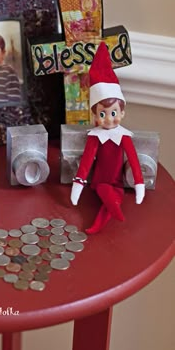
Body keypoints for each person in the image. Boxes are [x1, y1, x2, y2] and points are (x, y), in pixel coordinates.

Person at [70, 42, 145, 234]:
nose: (109, 119)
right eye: (103, 114)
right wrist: (78, 185)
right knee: (105, 192)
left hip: (118, 182)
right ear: (95, 116)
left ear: (122, 113)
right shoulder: (95, 137)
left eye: (114, 113)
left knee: (114, 198)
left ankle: (99, 223)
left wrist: (139, 184)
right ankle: (113, 212)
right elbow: (86, 162)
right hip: (100, 182)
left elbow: (134, 161)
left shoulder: (124, 137)